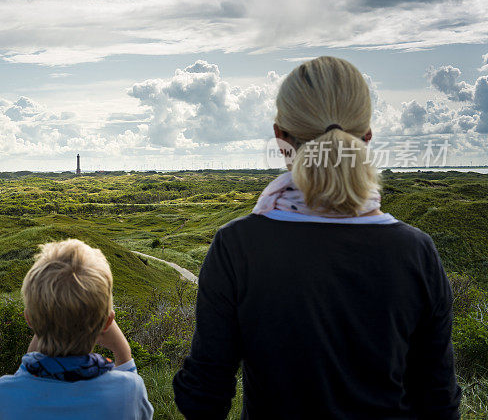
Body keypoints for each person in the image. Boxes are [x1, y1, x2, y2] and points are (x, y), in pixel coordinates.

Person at [173, 56, 462, 419]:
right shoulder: (416, 251)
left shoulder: (237, 246)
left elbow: (203, 397)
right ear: (367, 138)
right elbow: (440, 402)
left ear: (281, 139)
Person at [0, 238, 154, 420]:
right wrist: (124, 353)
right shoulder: (128, 391)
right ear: (107, 324)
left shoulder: (2, 394)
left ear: (29, 319)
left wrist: (46, 319)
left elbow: (27, 374)